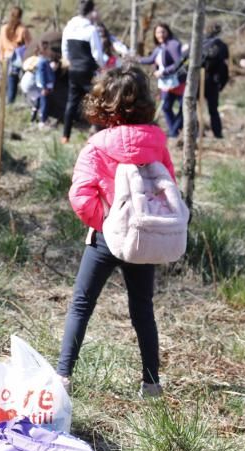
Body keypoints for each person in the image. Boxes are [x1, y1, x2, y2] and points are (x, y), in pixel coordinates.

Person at [56, 64, 174, 398]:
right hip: (142, 236)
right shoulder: (157, 142)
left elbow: (81, 195)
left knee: (81, 304)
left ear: (104, 102)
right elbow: (170, 186)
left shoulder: (97, 144)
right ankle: (151, 383)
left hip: (107, 237)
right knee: (143, 309)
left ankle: (63, 376)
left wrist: (104, 222)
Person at [60, 0, 105, 143]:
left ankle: (65, 135)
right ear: (91, 12)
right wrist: (102, 66)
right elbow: (97, 54)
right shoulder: (91, 29)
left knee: (71, 101)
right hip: (88, 70)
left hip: (73, 69)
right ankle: (95, 135)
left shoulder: (69, 27)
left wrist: (70, 61)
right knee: (97, 100)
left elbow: (64, 50)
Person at [139, 23, 185, 139]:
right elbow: (150, 59)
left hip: (178, 82)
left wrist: (163, 72)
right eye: (158, 32)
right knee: (166, 107)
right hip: (166, 83)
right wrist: (135, 58)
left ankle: (175, 131)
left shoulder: (173, 45)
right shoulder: (160, 47)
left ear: (168, 32)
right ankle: (174, 132)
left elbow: (178, 63)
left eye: (163, 31)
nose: (160, 35)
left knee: (183, 108)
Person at [0, 7, 31, 104]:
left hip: (6, 58)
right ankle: (27, 104)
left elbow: (0, 45)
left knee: (10, 84)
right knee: (25, 83)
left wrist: (1, 58)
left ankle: (9, 103)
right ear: (20, 16)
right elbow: (30, 45)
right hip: (19, 59)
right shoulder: (23, 30)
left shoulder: (3, 28)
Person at [201, 23, 229, 139]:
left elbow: (224, 66)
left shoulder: (220, 46)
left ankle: (217, 133)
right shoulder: (201, 43)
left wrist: (221, 82)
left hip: (211, 80)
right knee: (207, 109)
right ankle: (199, 131)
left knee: (212, 109)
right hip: (202, 80)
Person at [22, 40, 55, 128]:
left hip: (45, 86)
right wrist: (44, 87)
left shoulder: (44, 61)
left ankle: (35, 119)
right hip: (44, 87)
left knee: (39, 103)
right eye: (49, 49)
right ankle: (42, 122)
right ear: (44, 51)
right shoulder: (42, 62)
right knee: (44, 104)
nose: (50, 51)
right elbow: (41, 75)